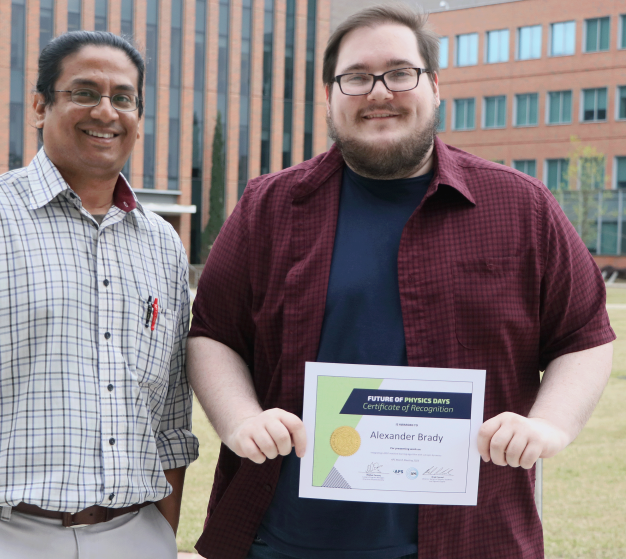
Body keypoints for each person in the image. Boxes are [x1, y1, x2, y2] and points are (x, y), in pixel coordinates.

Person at [187, 5, 614, 559]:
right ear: (330, 95)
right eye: (356, 76)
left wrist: (550, 425)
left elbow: (584, 336)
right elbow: (213, 333)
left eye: (400, 72)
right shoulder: (267, 207)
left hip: (471, 539)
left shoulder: (521, 206)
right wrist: (240, 418)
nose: (379, 91)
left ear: (434, 86)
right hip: (287, 541)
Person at [0, 31, 197, 559]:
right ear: (41, 106)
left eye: (123, 97)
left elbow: (171, 416)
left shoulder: (162, 244)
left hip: (136, 535)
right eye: (85, 92)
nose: (106, 111)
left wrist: (162, 530)